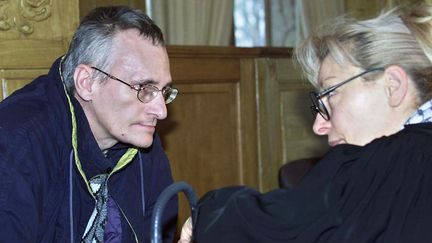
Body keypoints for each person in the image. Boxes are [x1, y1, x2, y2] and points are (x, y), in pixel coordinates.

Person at [179, 4, 432, 243]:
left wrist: (205, 215)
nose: (318, 126)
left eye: (331, 94)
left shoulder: (384, 161)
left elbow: (275, 226)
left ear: (393, 86)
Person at [0, 5, 178, 243]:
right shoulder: (17, 145)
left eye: (164, 91)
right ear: (87, 82)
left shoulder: (145, 146)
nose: (161, 111)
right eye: (144, 88)